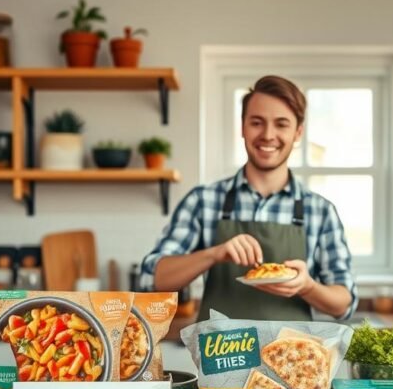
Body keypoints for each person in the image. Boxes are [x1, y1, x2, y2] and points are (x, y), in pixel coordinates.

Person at [139, 75, 357, 322]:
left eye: (281, 124)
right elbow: (151, 279)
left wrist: (307, 286)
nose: (268, 135)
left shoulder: (320, 211)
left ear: (298, 133)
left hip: (292, 346)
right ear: (242, 127)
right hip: (219, 346)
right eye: (256, 122)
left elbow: (345, 303)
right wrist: (214, 254)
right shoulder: (202, 201)